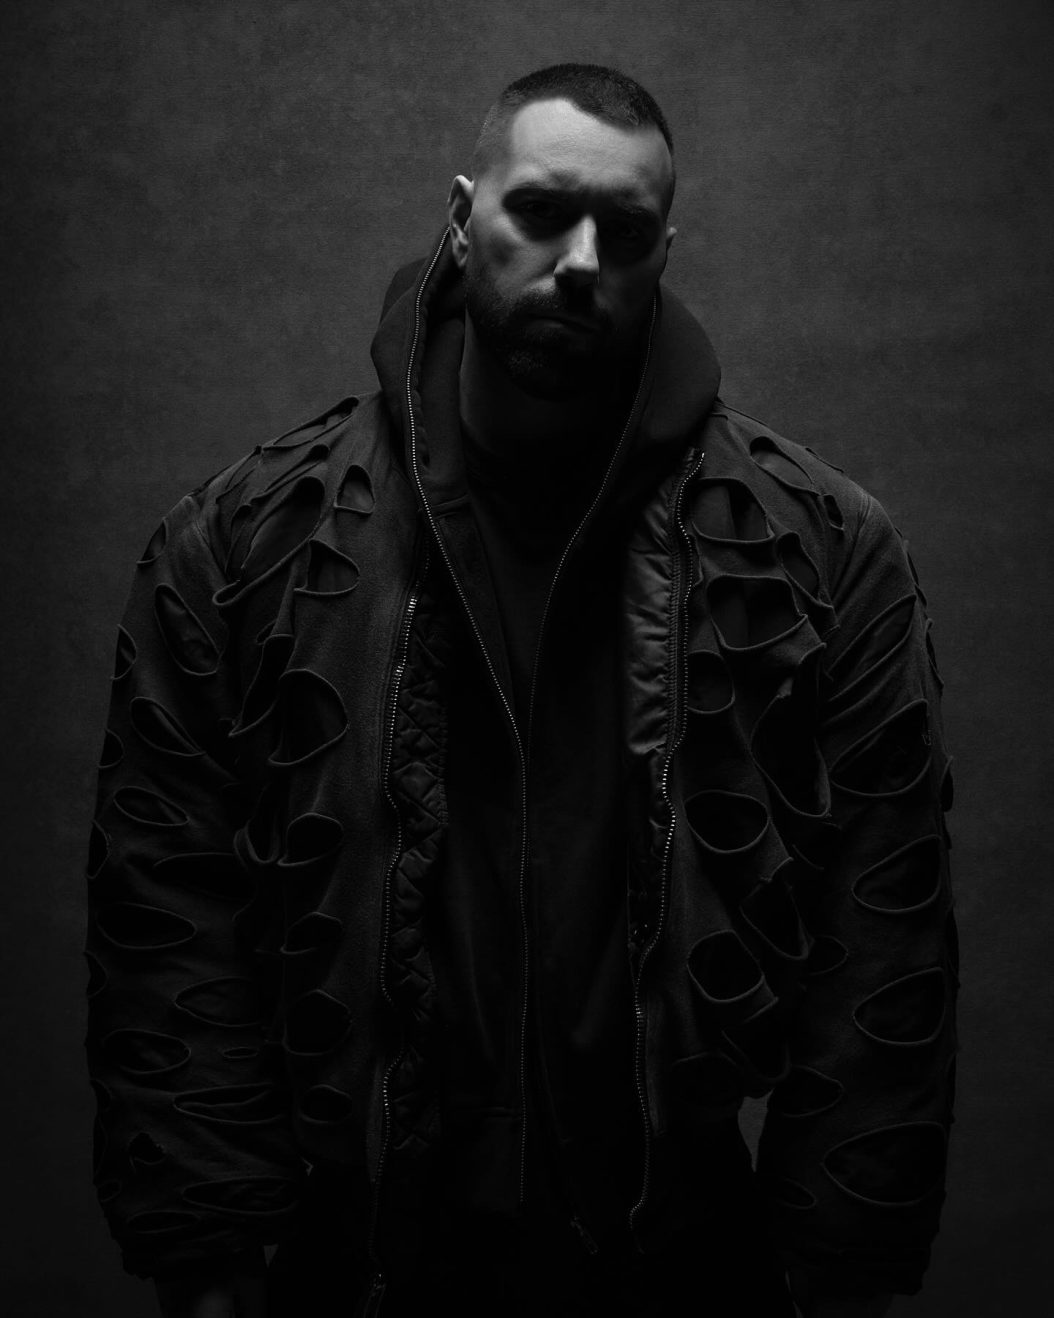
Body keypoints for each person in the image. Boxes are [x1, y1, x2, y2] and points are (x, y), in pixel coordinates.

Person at [84, 64, 957, 1318]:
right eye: (541, 212)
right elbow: (168, 908)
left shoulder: (821, 551)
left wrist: (846, 1269)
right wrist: (204, 1257)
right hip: (359, 1265)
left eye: (625, 231)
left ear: (664, 254)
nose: (581, 261)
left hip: (683, 1263)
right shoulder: (244, 543)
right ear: (461, 215)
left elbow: (882, 941)